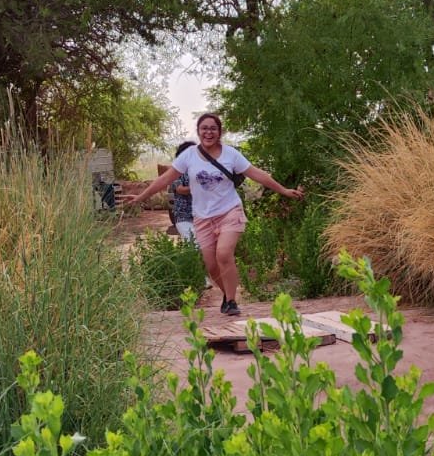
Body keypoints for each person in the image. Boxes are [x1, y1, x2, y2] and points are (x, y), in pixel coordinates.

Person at [128, 113, 303, 316]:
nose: (208, 132)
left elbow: (257, 174)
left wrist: (283, 190)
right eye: (204, 128)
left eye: (213, 128)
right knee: (211, 266)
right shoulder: (189, 155)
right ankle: (226, 295)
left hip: (229, 211)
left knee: (223, 254)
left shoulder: (231, 155)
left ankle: (231, 301)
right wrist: (140, 197)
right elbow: (165, 179)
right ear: (198, 131)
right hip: (202, 217)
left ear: (220, 132)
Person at [167, 140, 197, 242]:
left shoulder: (200, 169)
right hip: (184, 217)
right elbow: (180, 190)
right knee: (194, 245)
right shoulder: (176, 171)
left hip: (202, 216)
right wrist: (199, 186)